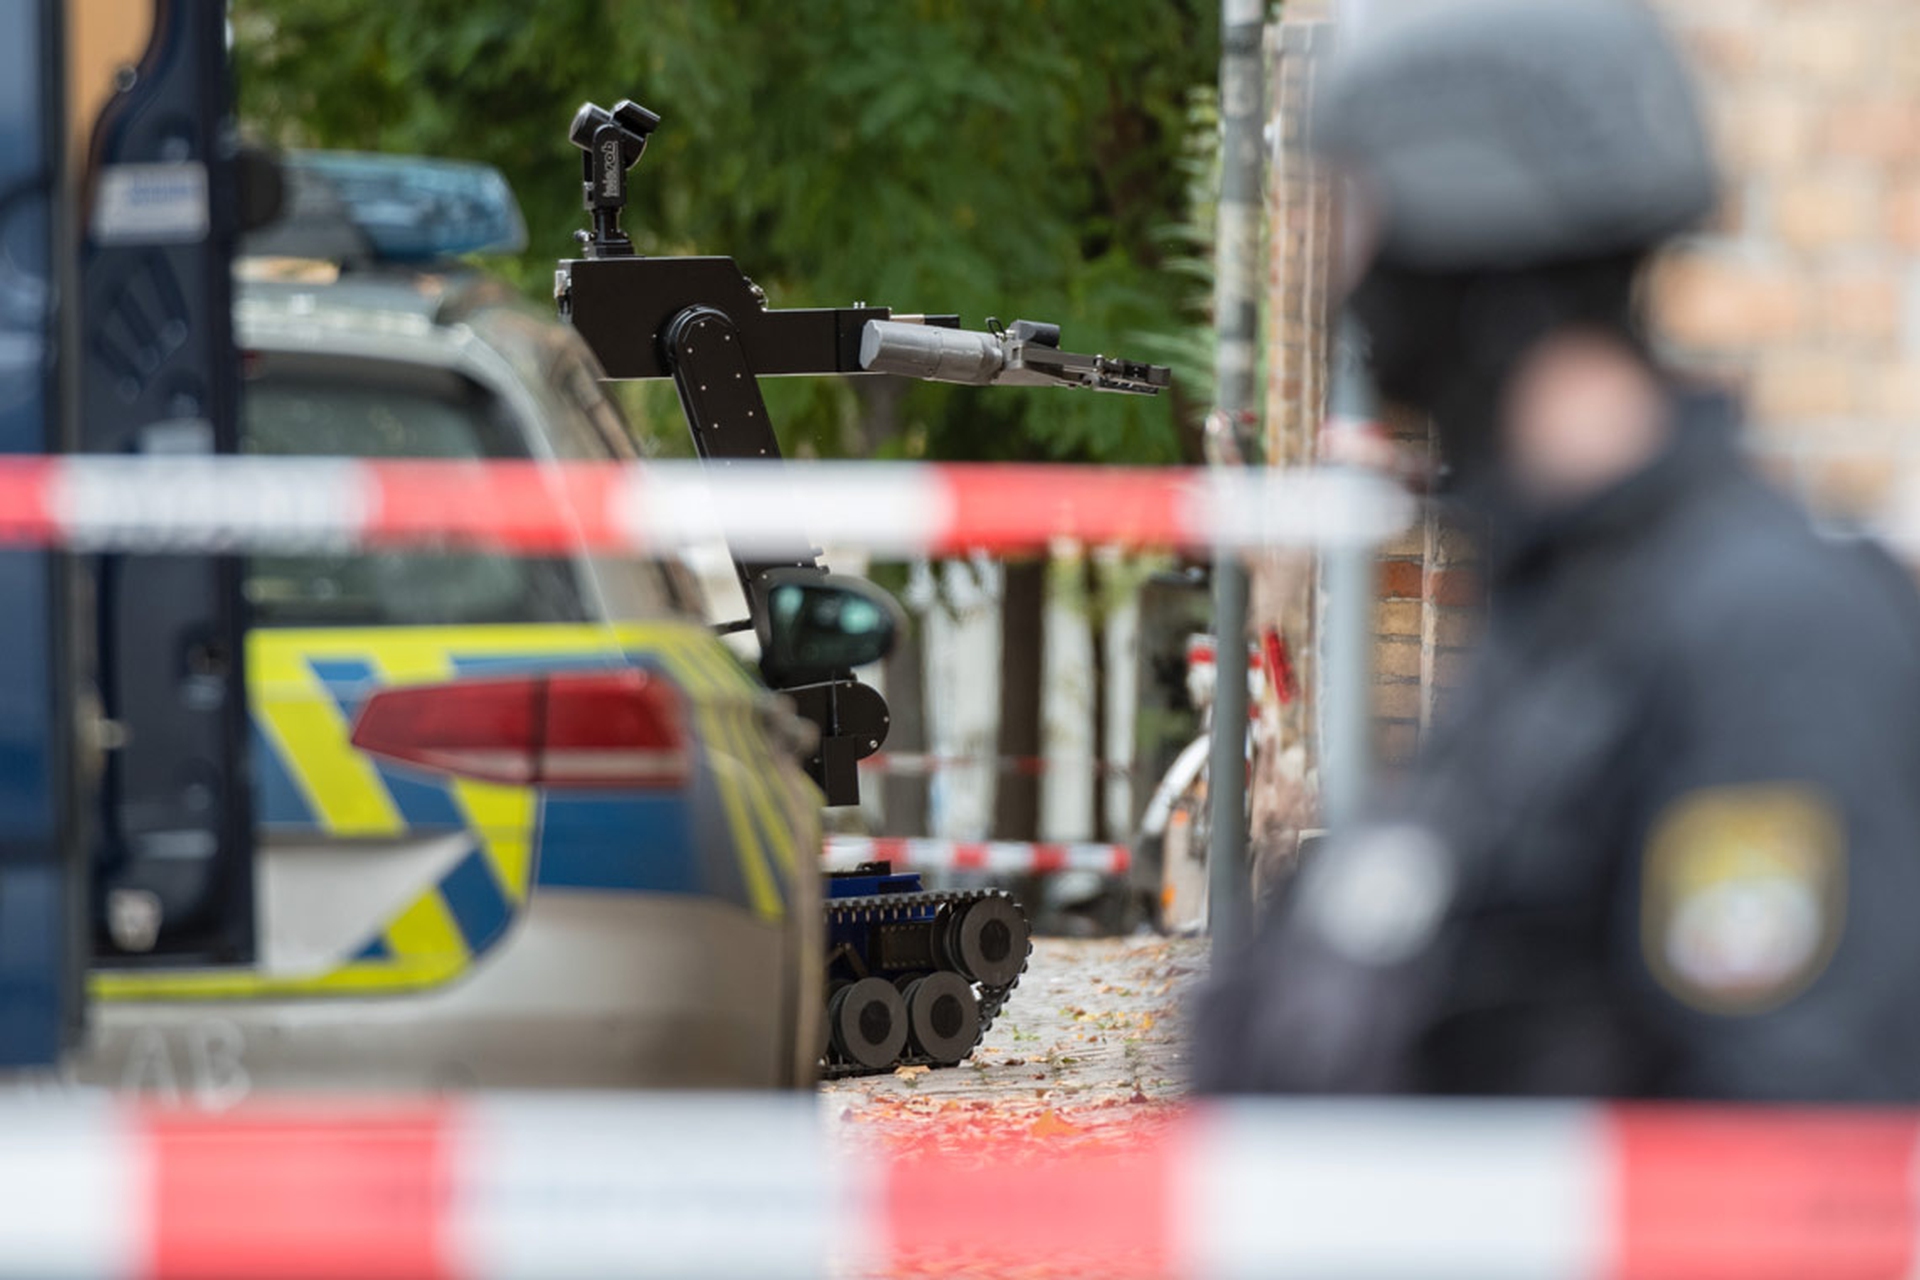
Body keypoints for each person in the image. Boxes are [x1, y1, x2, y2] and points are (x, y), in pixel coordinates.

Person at [1193, 0, 1920, 1100]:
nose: (1347, 279)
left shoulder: (1767, 628)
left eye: (1362, 219)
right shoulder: (1559, 609)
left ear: (1472, 230)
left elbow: (1792, 1128)